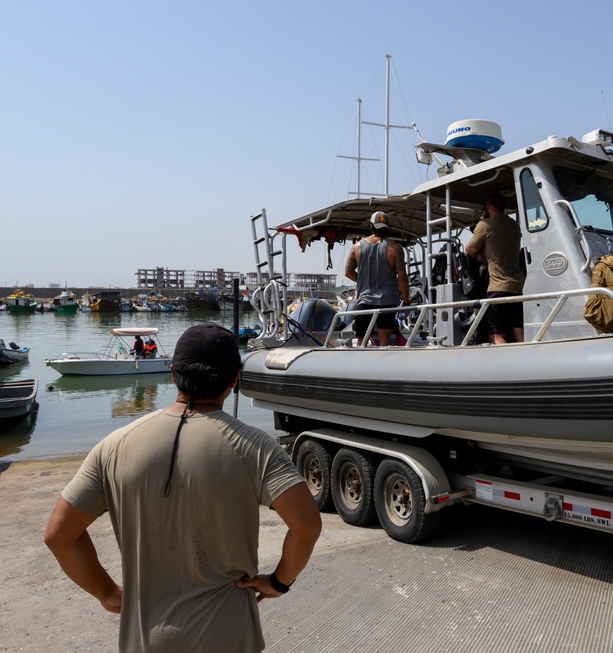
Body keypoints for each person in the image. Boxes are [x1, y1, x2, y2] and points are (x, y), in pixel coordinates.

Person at [44, 324, 322, 653]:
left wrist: (106, 592)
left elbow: (58, 535)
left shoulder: (114, 446)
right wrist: (278, 582)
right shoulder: (256, 446)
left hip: (147, 638)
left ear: (173, 374)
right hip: (229, 635)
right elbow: (306, 526)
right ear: (235, 380)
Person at [465, 192, 526, 343]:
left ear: (489, 206)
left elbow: (469, 250)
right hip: (518, 285)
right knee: (518, 331)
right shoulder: (514, 225)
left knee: (496, 335)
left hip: (498, 286)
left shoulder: (485, 224)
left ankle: (509, 366)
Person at [344, 211, 410, 347]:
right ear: (387, 227)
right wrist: (407, 302)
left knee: (361, 341)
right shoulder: (395, 248)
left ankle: (358, 364)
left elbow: (348, 272)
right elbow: (402, 277)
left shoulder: (357, 247)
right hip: (386, 300)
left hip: (364, 299)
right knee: (384, 342)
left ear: (371, 226)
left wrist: (364, 281)